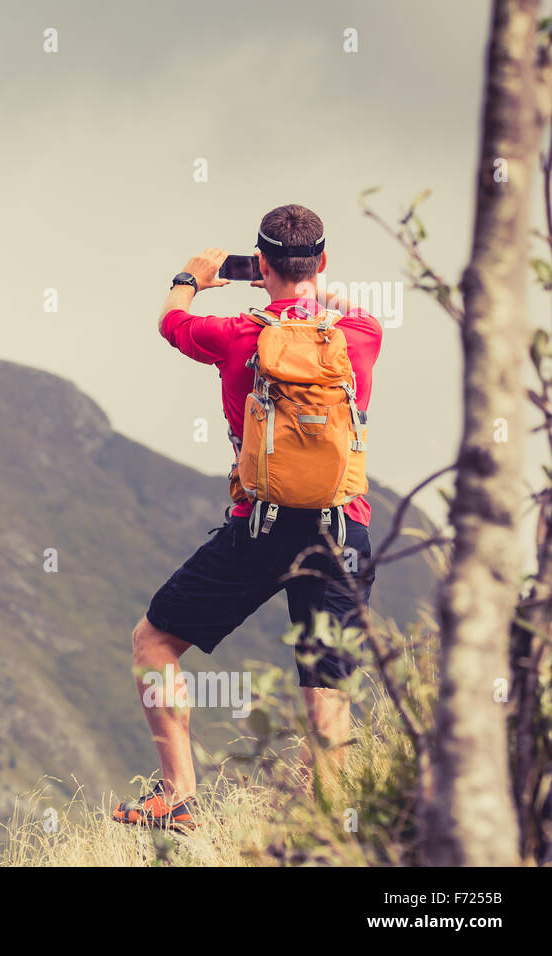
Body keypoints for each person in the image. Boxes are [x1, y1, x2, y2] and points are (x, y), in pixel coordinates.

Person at [113, 204, 384, 832]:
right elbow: (335, 303)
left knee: (153, 643)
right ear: (322, 261)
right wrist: (308, 285)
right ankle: (331, 824)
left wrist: (188, 278)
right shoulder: (361, 333)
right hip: (342, 528)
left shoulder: (236, 334)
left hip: (261, 527)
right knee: (328, 682)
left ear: (259, 265)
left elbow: (173, 324)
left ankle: (179, 796)